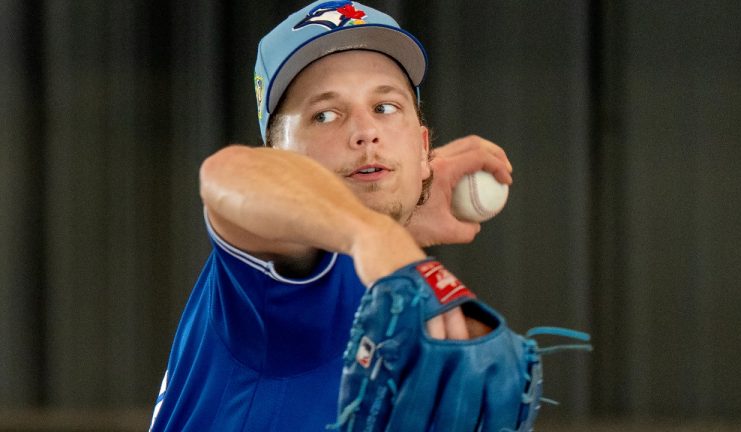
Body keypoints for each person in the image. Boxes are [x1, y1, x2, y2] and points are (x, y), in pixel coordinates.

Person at [150, 1, 512, 430]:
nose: (365, 132)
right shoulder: (272, 285)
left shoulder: (382, 285)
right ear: (278, 156)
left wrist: (398, 221)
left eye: (386, 107)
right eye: (324, 115)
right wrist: (374, 232)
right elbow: (226, 174)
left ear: (422, 147)